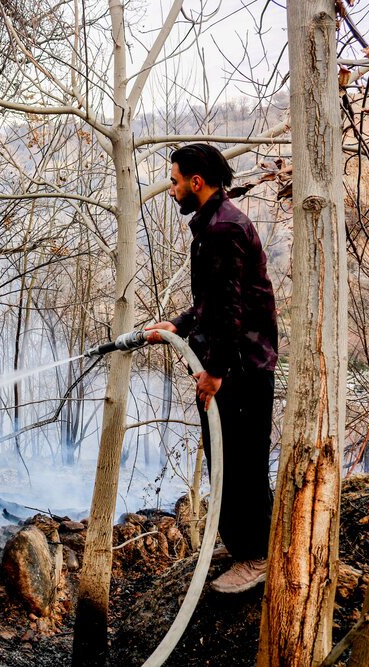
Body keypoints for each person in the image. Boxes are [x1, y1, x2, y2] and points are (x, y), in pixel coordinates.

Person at [144, 144, 278, 594]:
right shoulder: (214, 225)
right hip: (235, 363)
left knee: (240, 463)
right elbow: (213, 303)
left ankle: (257, 557)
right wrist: (178, 324)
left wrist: (215, 371)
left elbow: (230, 310)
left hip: (240, 369)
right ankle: (246, 546)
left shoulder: (222, 229)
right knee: (229, 459)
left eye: (176, 180)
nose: (172, 189)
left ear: (196, 182)